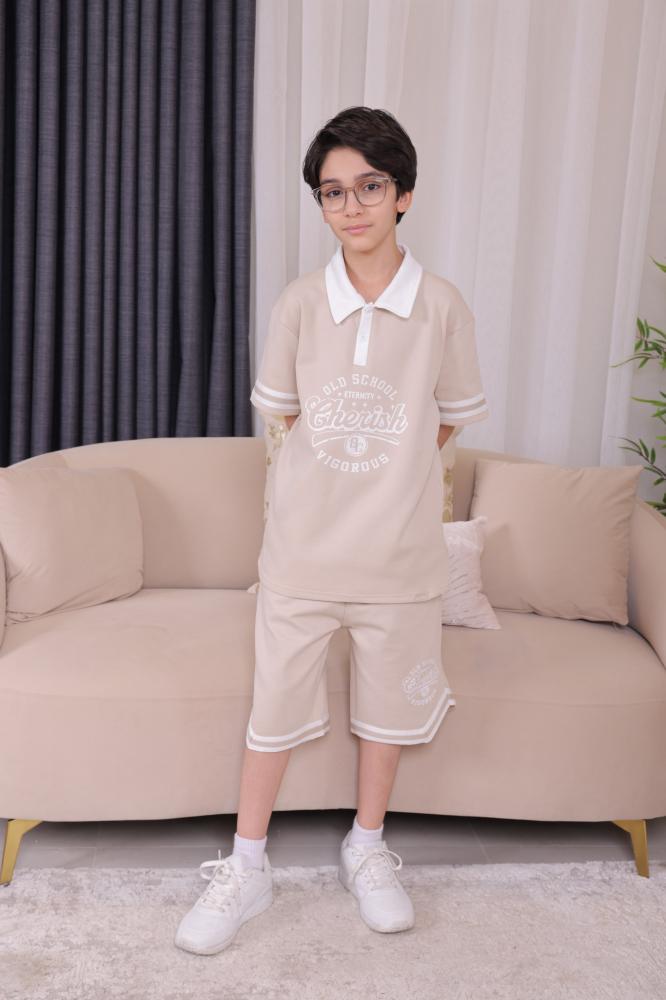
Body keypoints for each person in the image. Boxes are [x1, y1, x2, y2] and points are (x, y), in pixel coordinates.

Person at [175, 106, 489, 956]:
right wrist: (334, 480)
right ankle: (247, 865)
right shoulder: (301, 304)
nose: (351, 207)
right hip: (302, 556)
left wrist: (391, 473)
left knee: (386, 711)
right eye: (332, 192)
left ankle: (367, 846)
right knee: (273, 708)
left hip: (401, 559)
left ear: (404, 195)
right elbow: (283, 417)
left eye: (369, 187)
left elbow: (448, 418)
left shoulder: (443, 307)